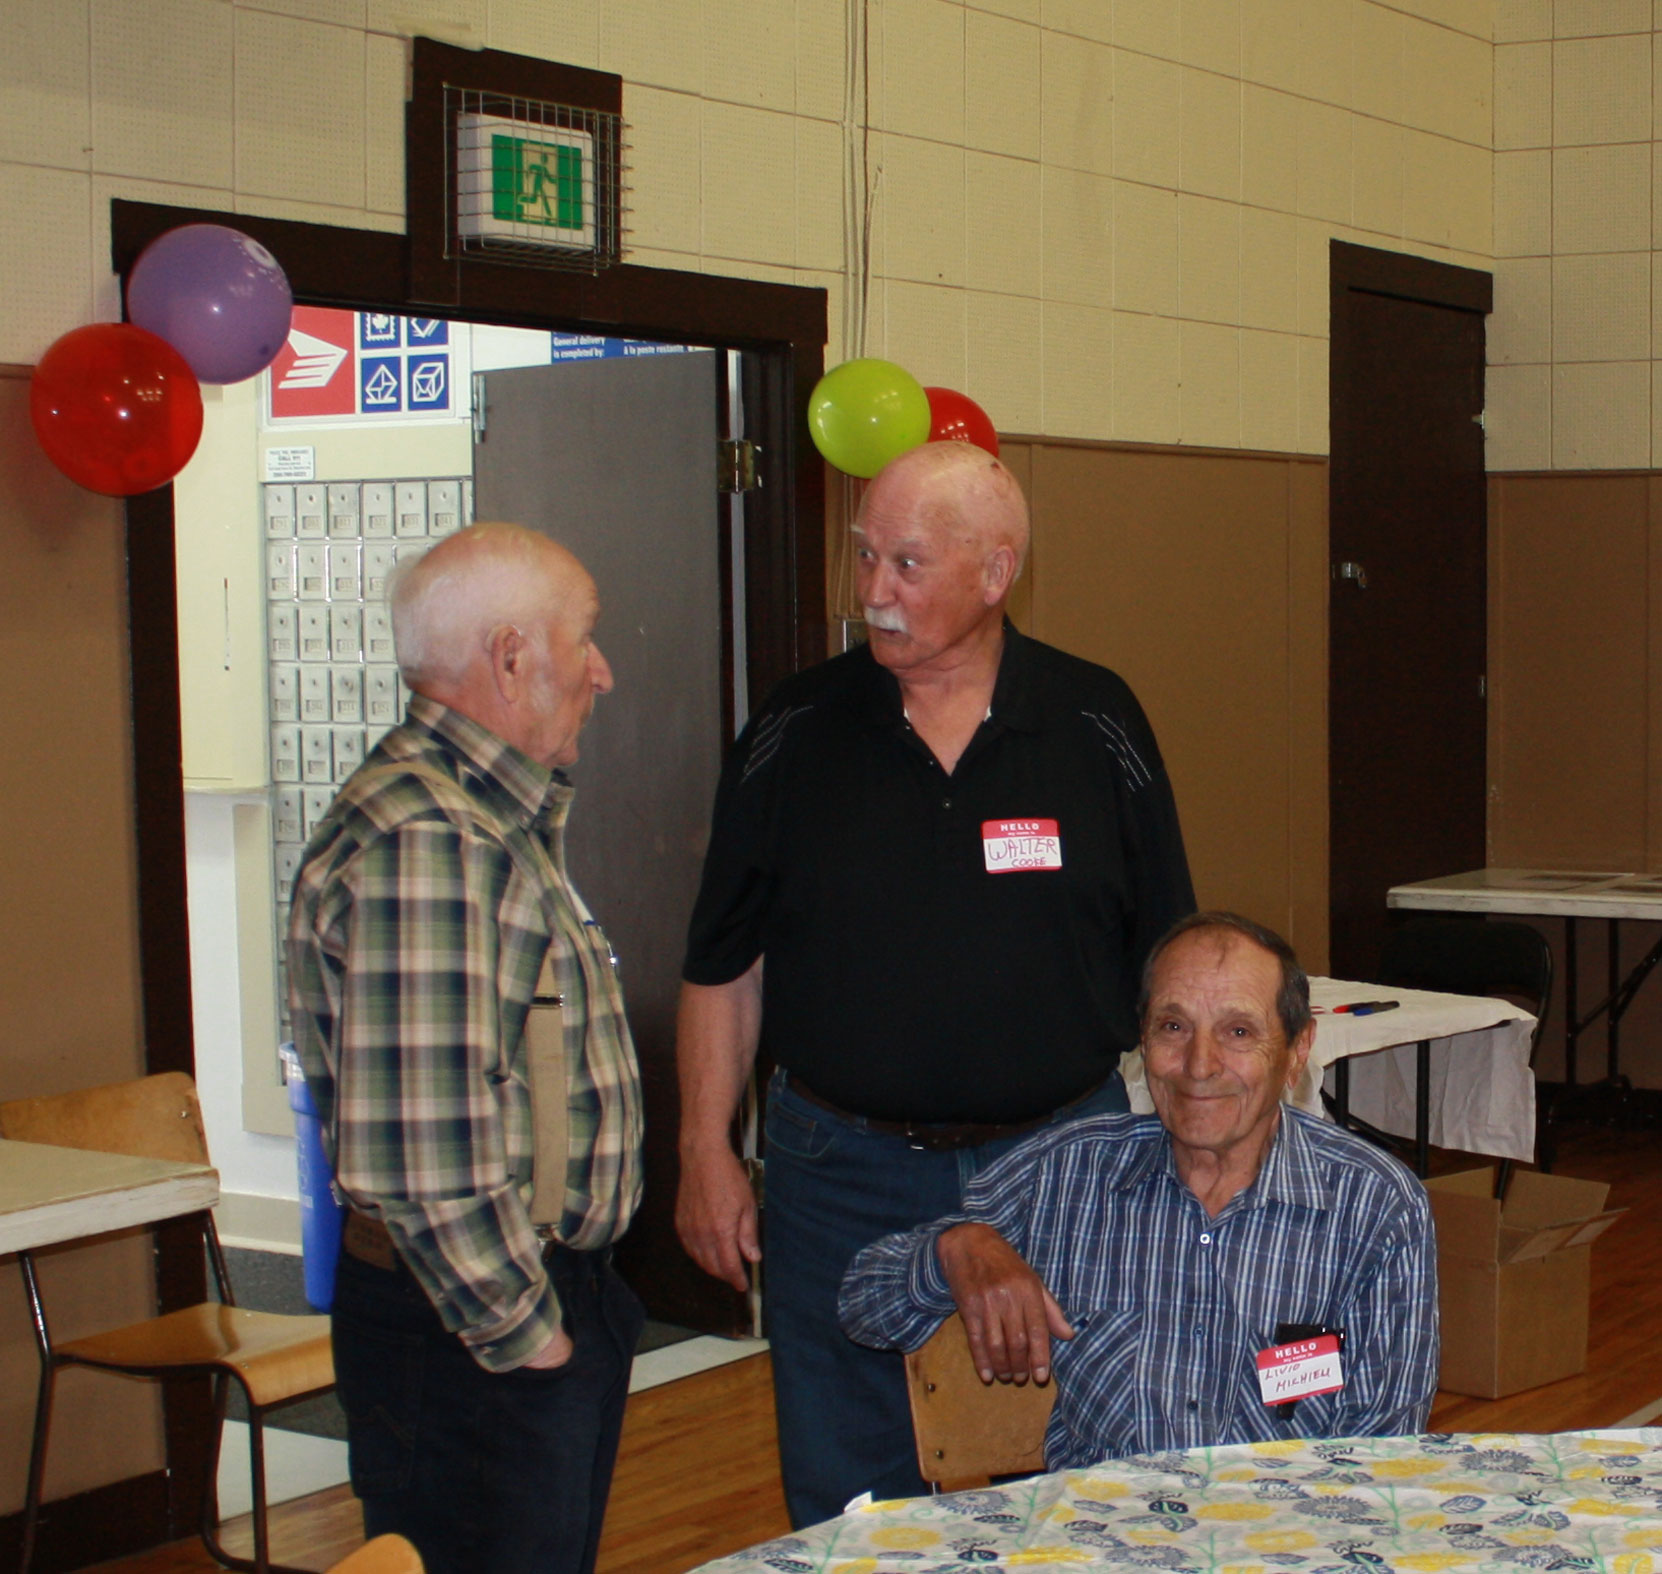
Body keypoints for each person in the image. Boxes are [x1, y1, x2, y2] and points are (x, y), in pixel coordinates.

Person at [675, 441, 1196, 1524]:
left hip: (1061, 1169)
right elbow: (724, 962)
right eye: (864, 555)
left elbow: (1172, 962)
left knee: (1071, 1472)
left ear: (995, 571)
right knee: (849, 1492)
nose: (873, 590)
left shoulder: (1098, 722)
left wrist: (1197, 1146)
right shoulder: (793, 730)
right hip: (837, 1173)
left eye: (907, 563)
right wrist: (703, 1149)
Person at [287, 522, 644, 1574]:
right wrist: (530, 1339)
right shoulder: (431, 839)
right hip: (474, 1334)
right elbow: (423, 1151)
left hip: (503, 1312)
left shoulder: (486, 817)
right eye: (585, 638)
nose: (604, 669)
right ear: (510, 656)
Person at [839, 911, 1439, 1467]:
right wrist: (956, 1249)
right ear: (1143, 1041)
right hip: (1100, 1537)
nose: (1198, 1065)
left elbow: (1382, 1454)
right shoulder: (1066, 1176)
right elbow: (862, 1304)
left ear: (1296, 1050)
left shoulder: (1374, 1207)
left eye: (1236, 1031)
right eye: (1173, 1026)